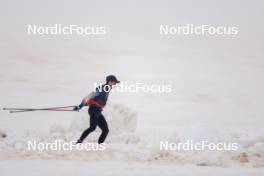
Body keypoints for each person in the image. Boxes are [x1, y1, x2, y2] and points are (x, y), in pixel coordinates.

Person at [74, 75, 120, 144]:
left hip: (98, 111)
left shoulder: (107, 89)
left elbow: (97, 99)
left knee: (105, 130)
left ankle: (99, 145)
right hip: (93, 110)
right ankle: (79, 141)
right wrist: (80, 106)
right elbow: (88, 96)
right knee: (92, 128)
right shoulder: (102, 88)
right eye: (114, 82)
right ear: (110, 82)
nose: (115, 84)